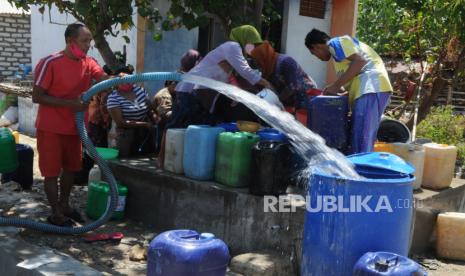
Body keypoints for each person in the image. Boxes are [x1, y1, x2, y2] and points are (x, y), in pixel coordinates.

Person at [33, 23, 110, 226]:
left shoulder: (88, 62)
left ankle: (65, 205)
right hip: (51, 127)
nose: (88, 45)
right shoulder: (50, 62)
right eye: (84, 41)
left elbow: (102, 78)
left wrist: (116, 80)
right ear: (70, 41)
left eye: (90, 41)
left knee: (71, 169)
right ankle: (56, 213)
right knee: (51, 172)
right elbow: (37, 96)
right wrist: (70, 104)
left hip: (75, 128)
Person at [304, 29, 393, 153]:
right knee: (358, 136)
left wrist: (335, 85)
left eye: (314, 53)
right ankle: (359, 168)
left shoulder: (336, 43)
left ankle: (361, 170)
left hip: (372, 87)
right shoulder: (338, 58)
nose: (317, 58)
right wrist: (340, 93)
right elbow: (355, 79)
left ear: (316, 47)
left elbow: (361, 61)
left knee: (362, 138)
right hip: (367, 90)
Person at [168, 25, 273, 128]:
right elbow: (245, 71)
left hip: (197, 92)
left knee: (197, 128)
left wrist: (236, 93)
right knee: (180, 128)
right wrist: (265, 83)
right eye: (252, 43)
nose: (253, 47)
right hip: (190, 91)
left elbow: (230, 74)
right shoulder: (232, 46)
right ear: (244, 38)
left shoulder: (233, 52)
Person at [249, 41, 320, 116]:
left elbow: (293, 86)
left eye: (258, 59)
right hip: (286, 102)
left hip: (303, 98)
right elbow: (265, 88)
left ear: (264, 57)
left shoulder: (286, 62)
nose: (257, 62)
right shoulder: (267, 68)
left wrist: (277, 99)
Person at [107, 70, 156, 157]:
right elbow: (120, 122)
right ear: (117, 83)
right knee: (125, 159)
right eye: (123, 81)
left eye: (128, 80)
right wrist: (144, 124)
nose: (126, 82)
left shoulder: (140, 91)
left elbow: (149, 109)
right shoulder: (113, 98)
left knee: (144, 157)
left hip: (143, 133)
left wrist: (155, 120)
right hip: (124, 134)